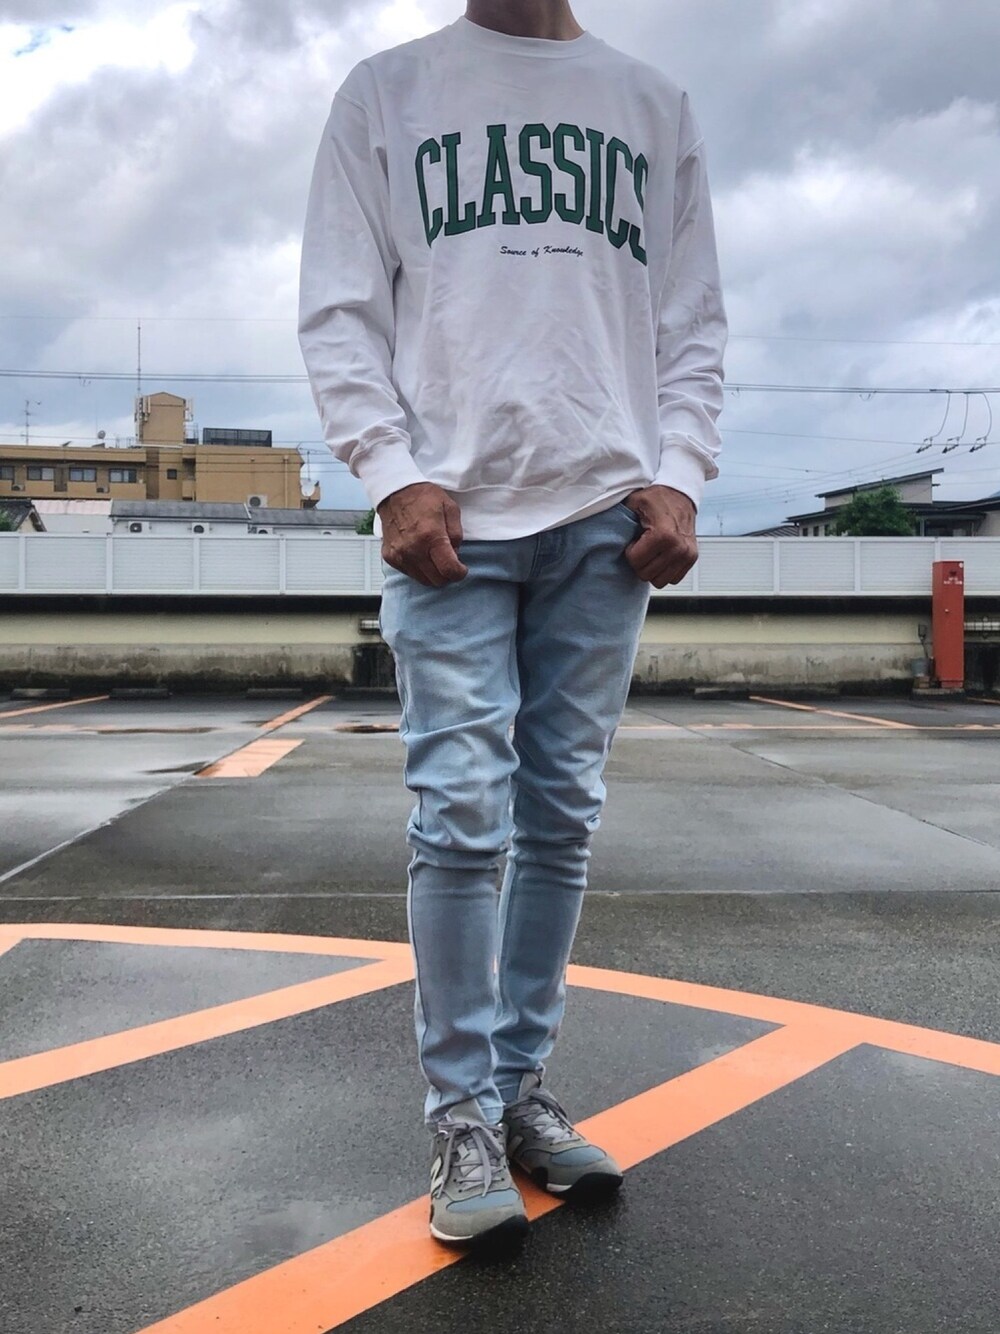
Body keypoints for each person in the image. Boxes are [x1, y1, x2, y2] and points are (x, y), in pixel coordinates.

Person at [298, 0, 726, 1252]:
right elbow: (339, 309)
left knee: (560, 814)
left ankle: (519, 1089)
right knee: (459, 811)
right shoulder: (388, 91)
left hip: (605, 513)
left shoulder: (650, 104)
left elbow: (692, 320)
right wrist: (388, 470)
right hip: (449, 516)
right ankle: (460, 1115)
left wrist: (682, 472)